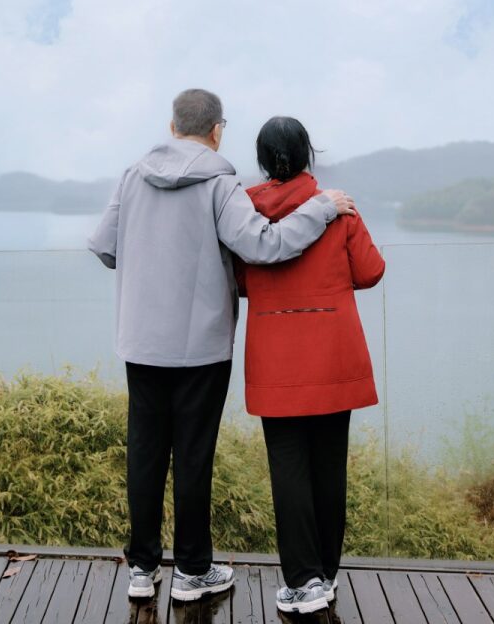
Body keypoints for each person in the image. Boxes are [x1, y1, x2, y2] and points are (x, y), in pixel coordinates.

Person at [88, 89, 357, 603]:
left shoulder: (132, 176)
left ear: (172, 127)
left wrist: (148, 269)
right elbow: (263, 245)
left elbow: (104, 245)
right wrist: (322, 209)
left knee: (144, 453)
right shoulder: (220, 182)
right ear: (217, 131)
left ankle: (142, 571)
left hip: (142, 341)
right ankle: (193, 572)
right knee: (192, 455)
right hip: (202, 347)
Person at [234, 116, 385, 614]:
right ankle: (326, 572)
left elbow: (238, 279)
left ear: (262, 160)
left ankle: (302, 581)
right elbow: (371, 270)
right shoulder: (338, 208)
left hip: (275, 358)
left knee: (289, 470)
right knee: (328, 466)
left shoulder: (246, 213)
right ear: (307, 156)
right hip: (333, 354)